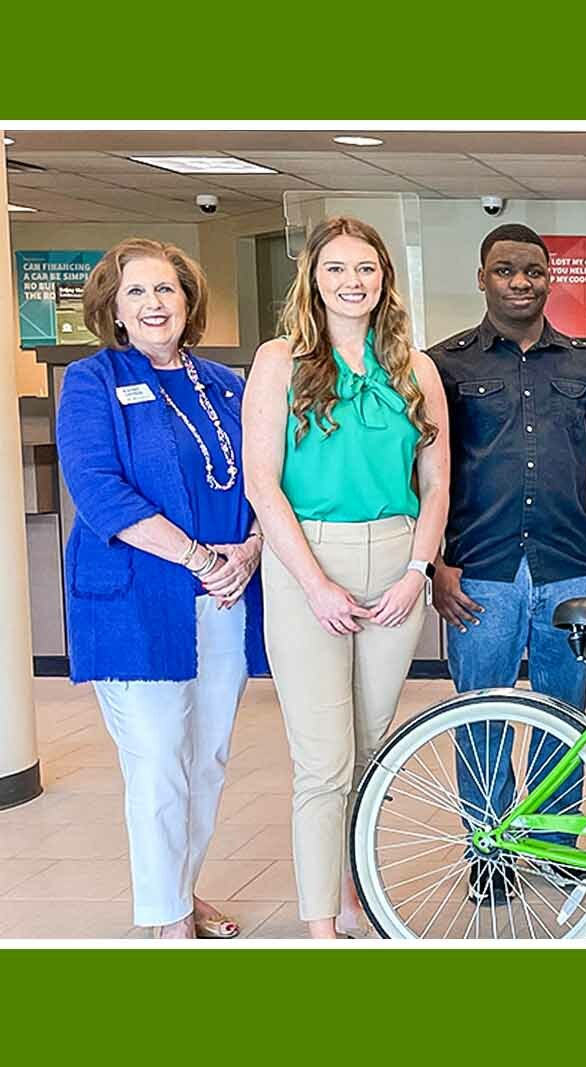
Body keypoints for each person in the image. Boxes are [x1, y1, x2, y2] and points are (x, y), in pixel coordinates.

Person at [243, 216, 450, 939]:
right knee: (324, 761)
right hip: (309, 559)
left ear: (384, 278)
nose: (351, 281)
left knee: (369, 750)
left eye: (365, 268)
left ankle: (357, 895)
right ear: (314, 278)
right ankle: (321, 926)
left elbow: (436, 486)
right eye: (336, 269)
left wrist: (417, 571)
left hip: (395, 558)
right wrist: (315, 584)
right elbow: (263, 486)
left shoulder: (415, 369)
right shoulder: (280, 360)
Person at [57, 238, 267, 939]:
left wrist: (251, 547)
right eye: (138, 292)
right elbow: (98, 490)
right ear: (112, 307)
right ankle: (166, 917)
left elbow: (269, 477)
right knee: (157, 760)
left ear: (189, 301)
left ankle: (181, 888)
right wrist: (200, 559)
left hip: (226, 595)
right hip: (138, 600)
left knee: (204, 759)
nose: (154, 303)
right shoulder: (92, 381)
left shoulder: (225, 383)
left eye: (167, 290)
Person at [427, 224, 586, 906]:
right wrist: (435, 565)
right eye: (506, 270)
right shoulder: (445, 366)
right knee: (479, 711)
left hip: (569, 566)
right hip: (476, 569)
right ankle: (489, 845)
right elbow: (424, 476)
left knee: (562, 712)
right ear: (483, 277)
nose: (521, 282)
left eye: (534, 271)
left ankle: (552, 843)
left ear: (551, 278)